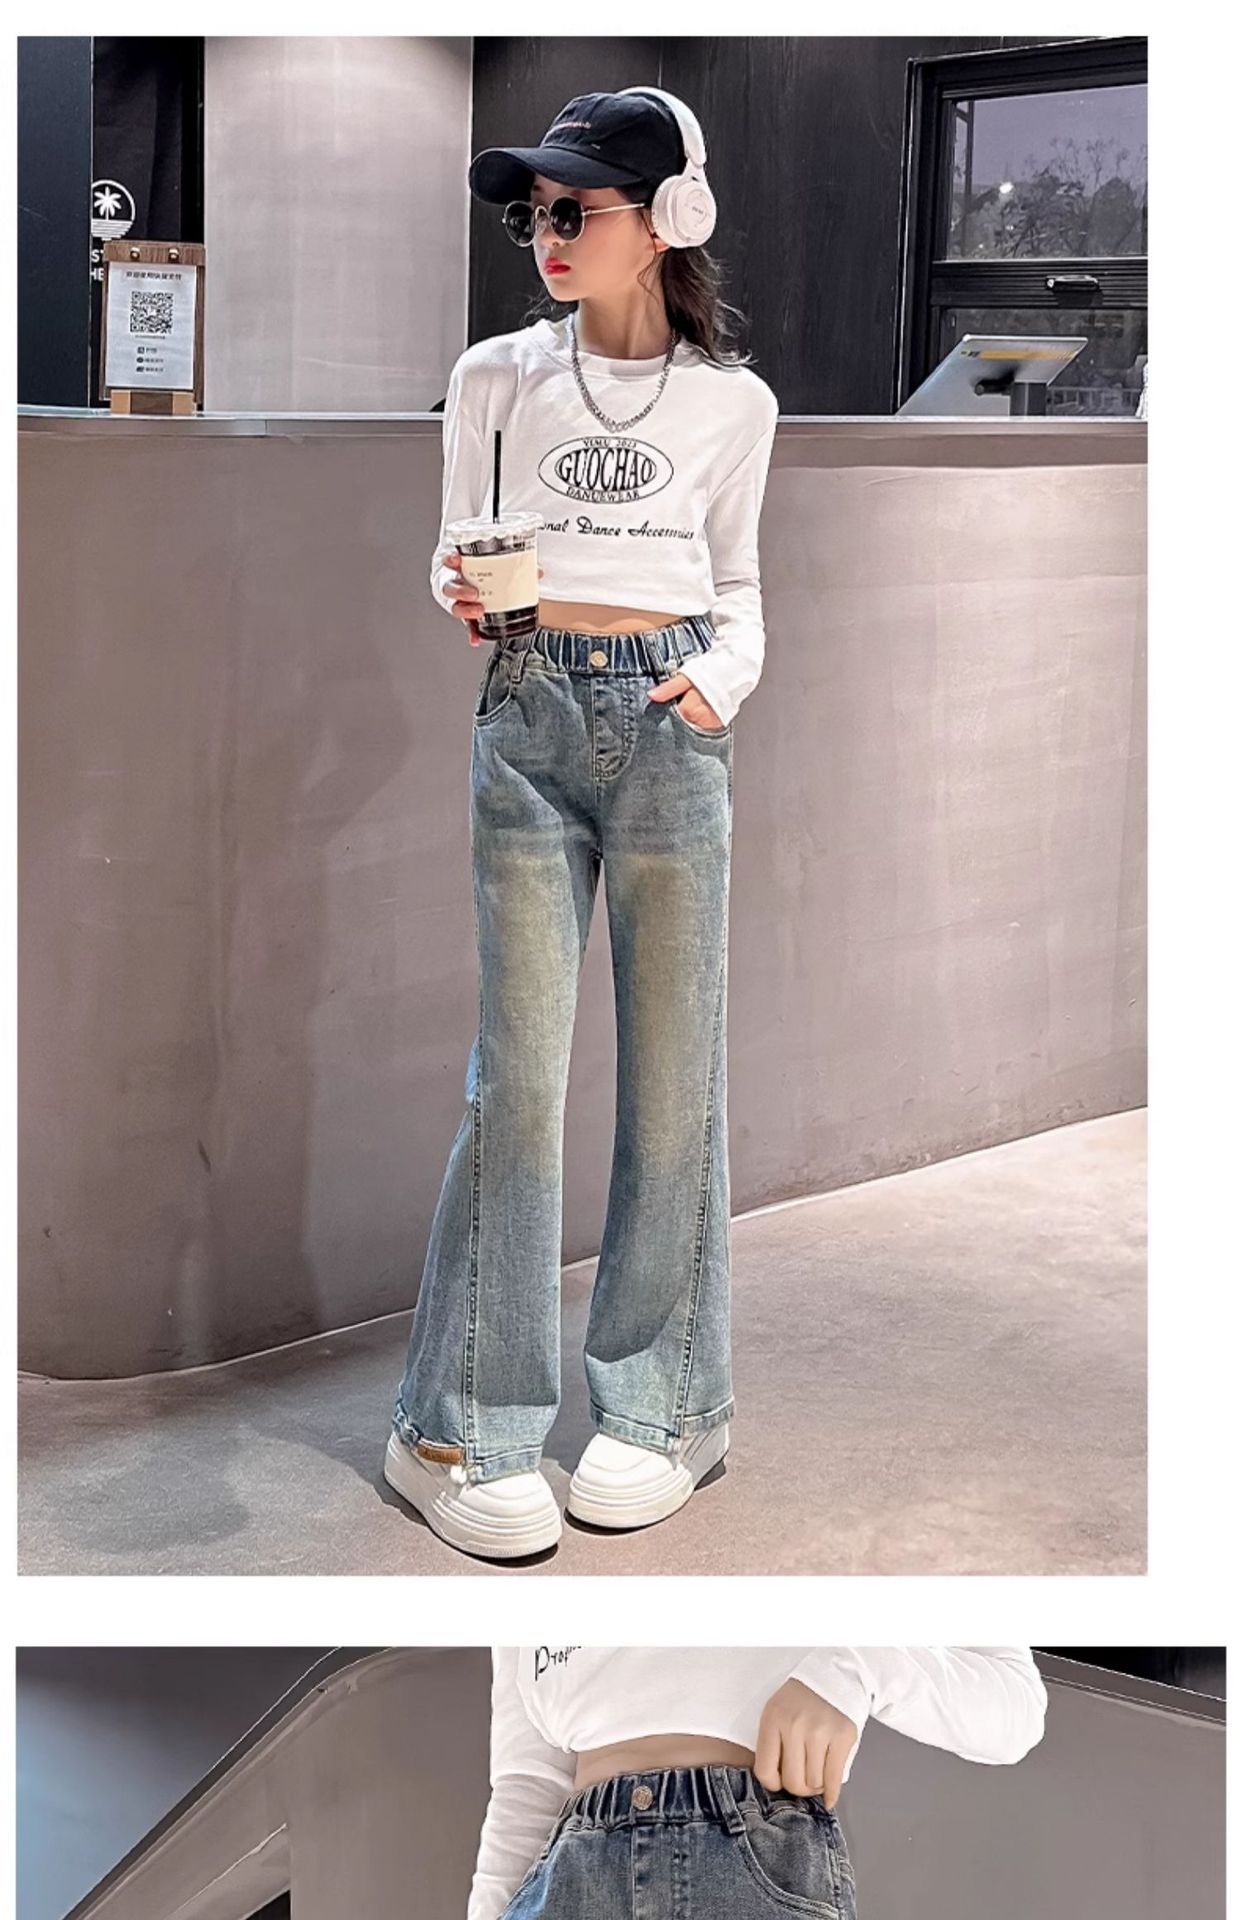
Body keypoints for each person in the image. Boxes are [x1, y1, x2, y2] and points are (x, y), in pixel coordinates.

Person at [383, 86, 780, 1560]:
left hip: (671, 727)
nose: (545, 234)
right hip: (530, 712)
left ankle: (669, 1407)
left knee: (676, 1083)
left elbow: (738, 589)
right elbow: (456, 552)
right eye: (531, 213)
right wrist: (462, 589)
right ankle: (455, 1431)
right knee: (518, 1084)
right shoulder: (494, 376)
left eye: (573, 208)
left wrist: (715, 686)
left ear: (668, 219)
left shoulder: (735, 405)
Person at [469, 1646, 1049, 1918]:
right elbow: (526, 1786)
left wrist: (855, 1669)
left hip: (751, 1860)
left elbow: (1015, 1704)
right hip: (567, 1886)